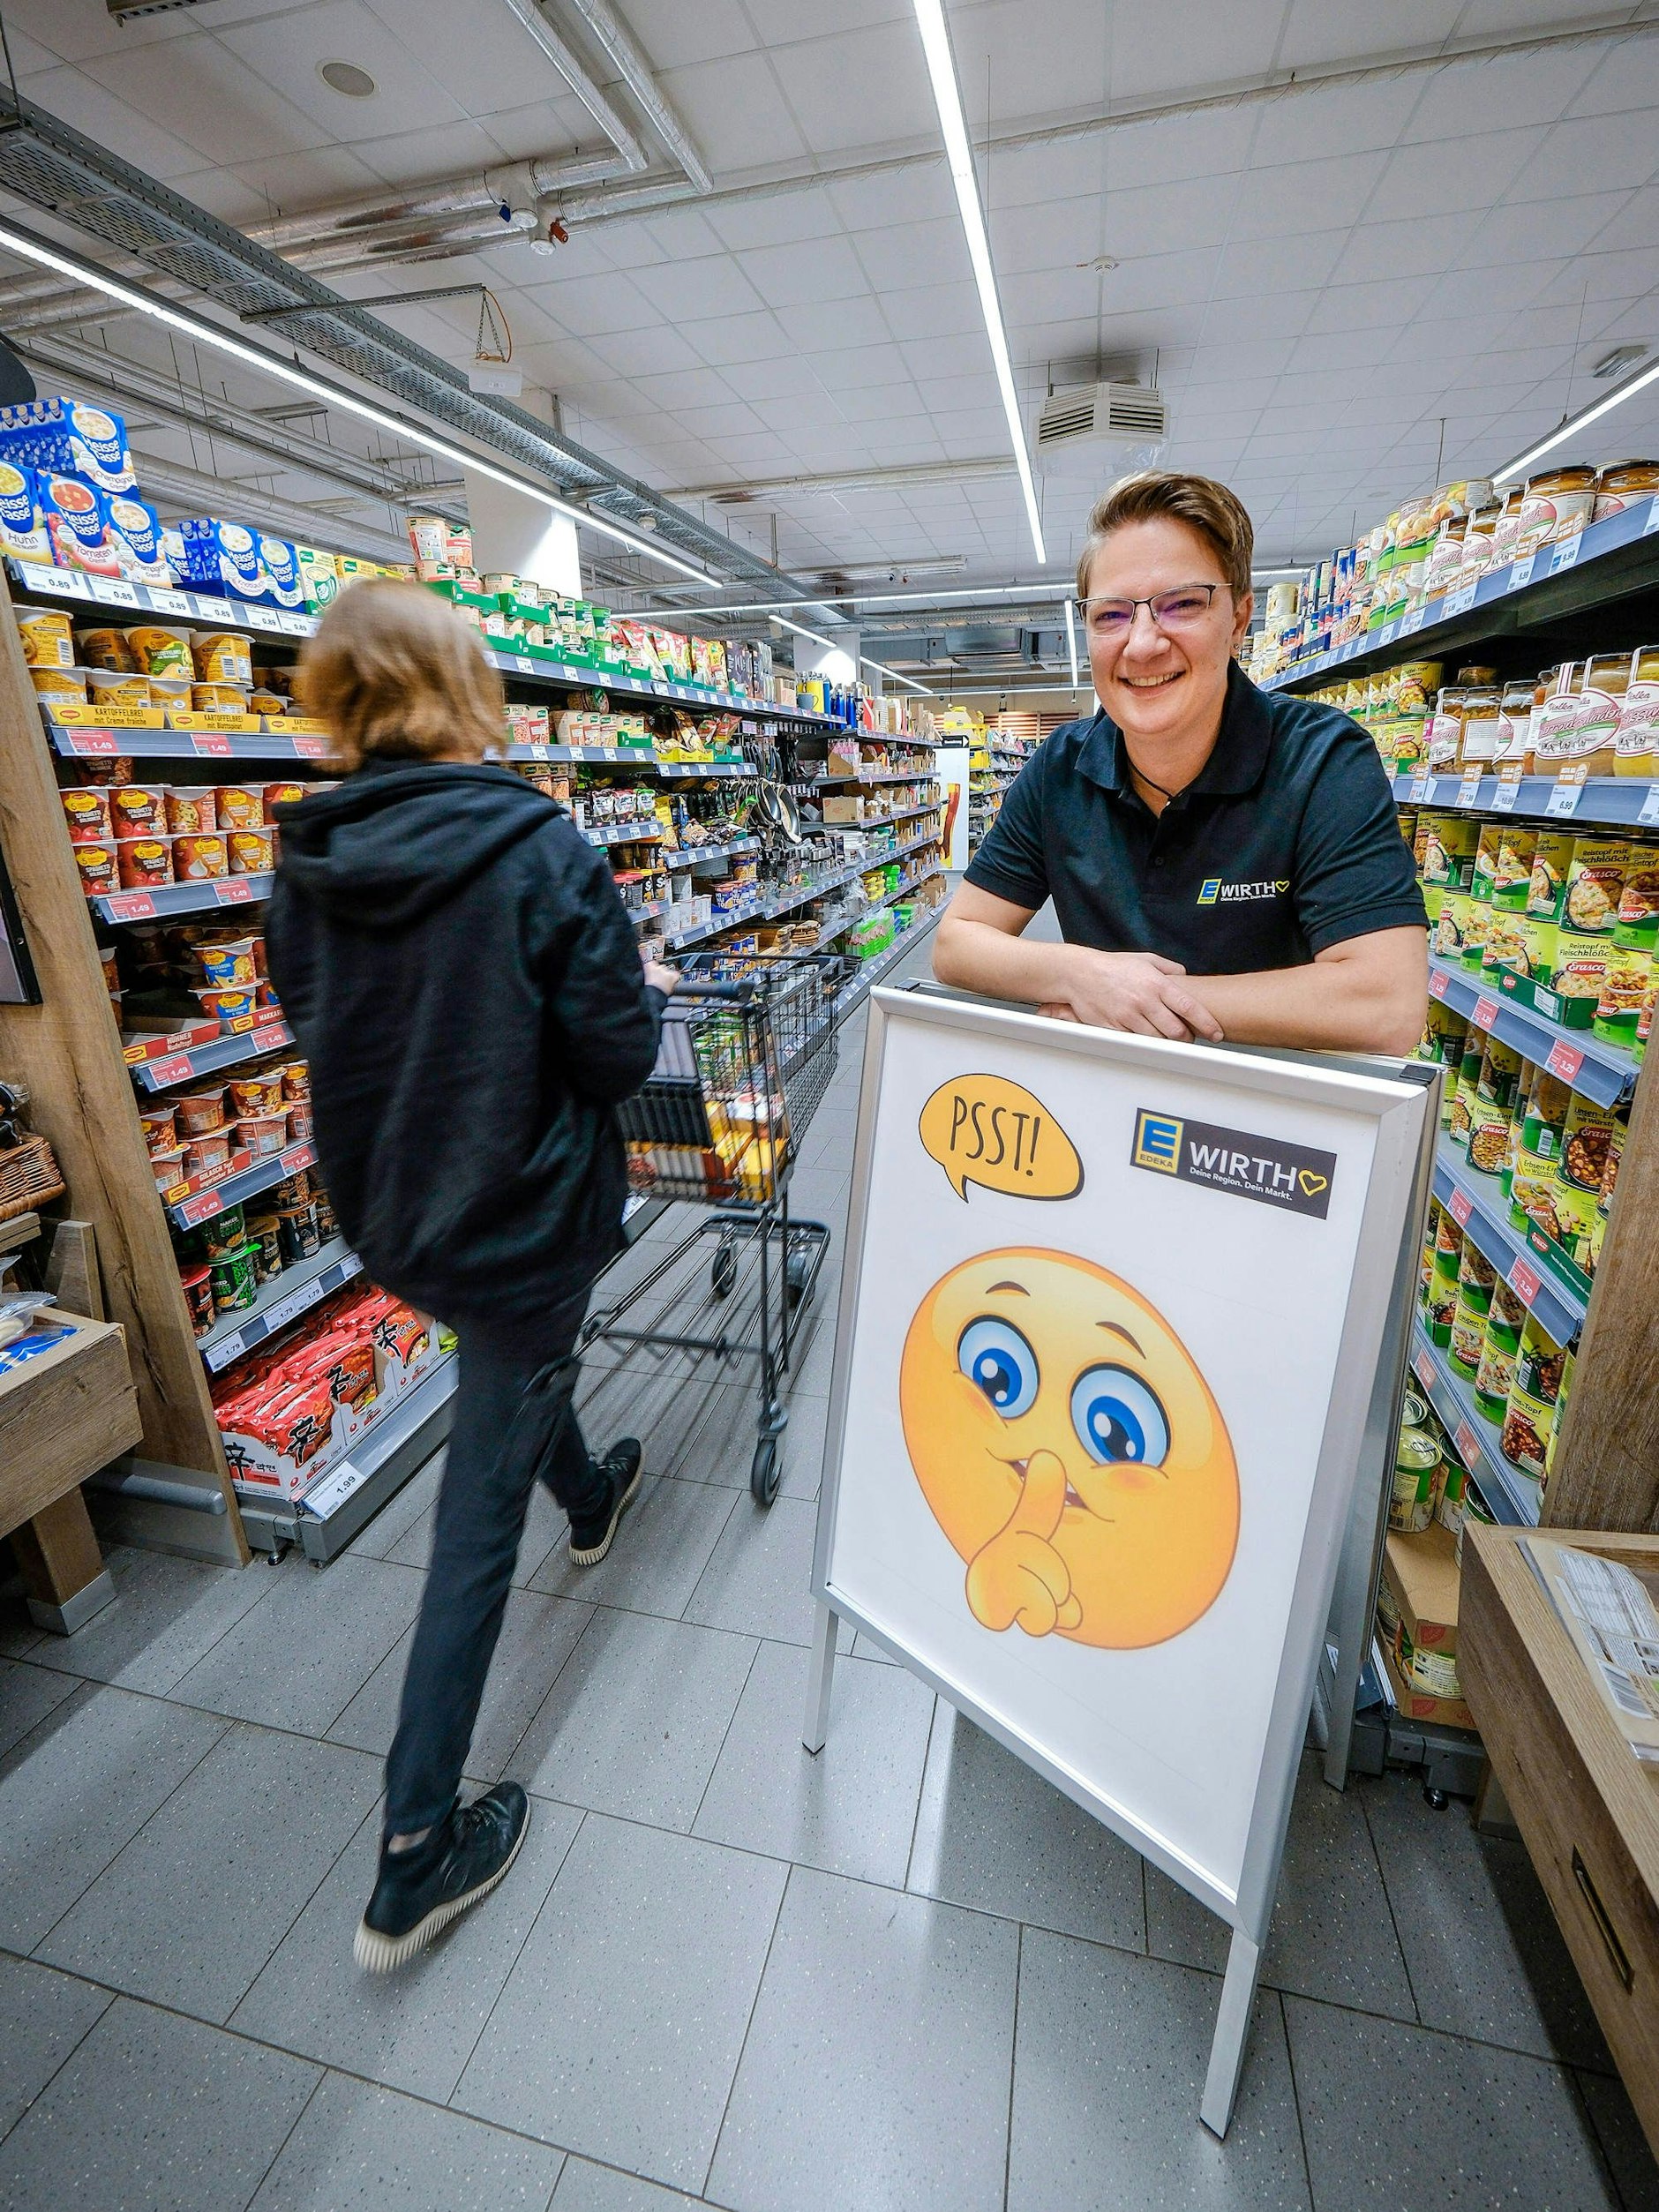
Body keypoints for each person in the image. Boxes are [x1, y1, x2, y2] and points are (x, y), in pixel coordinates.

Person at [266, 581, 674, 1972]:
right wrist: (643, 985)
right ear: (465, 687)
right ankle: (413, 1852)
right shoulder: (535, 845)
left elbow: (329, 1025)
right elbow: (617, 1053)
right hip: (524, 1220)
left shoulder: (306, 856)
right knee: (471, 1526)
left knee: (517, 1380)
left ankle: (595, 1490)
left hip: (406, 1218)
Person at [934, 471, 1426, 1054]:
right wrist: (1081, 975)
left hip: (1268, 1123)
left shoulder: (1321, 760)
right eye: (1111, 614)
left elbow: (1386, 1004)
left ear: (1239, 620)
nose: (1141, 644)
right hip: (1106, 1106)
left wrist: (1130, 1003)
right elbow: (957, 942)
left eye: (1182, 604)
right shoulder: (1060, 769)